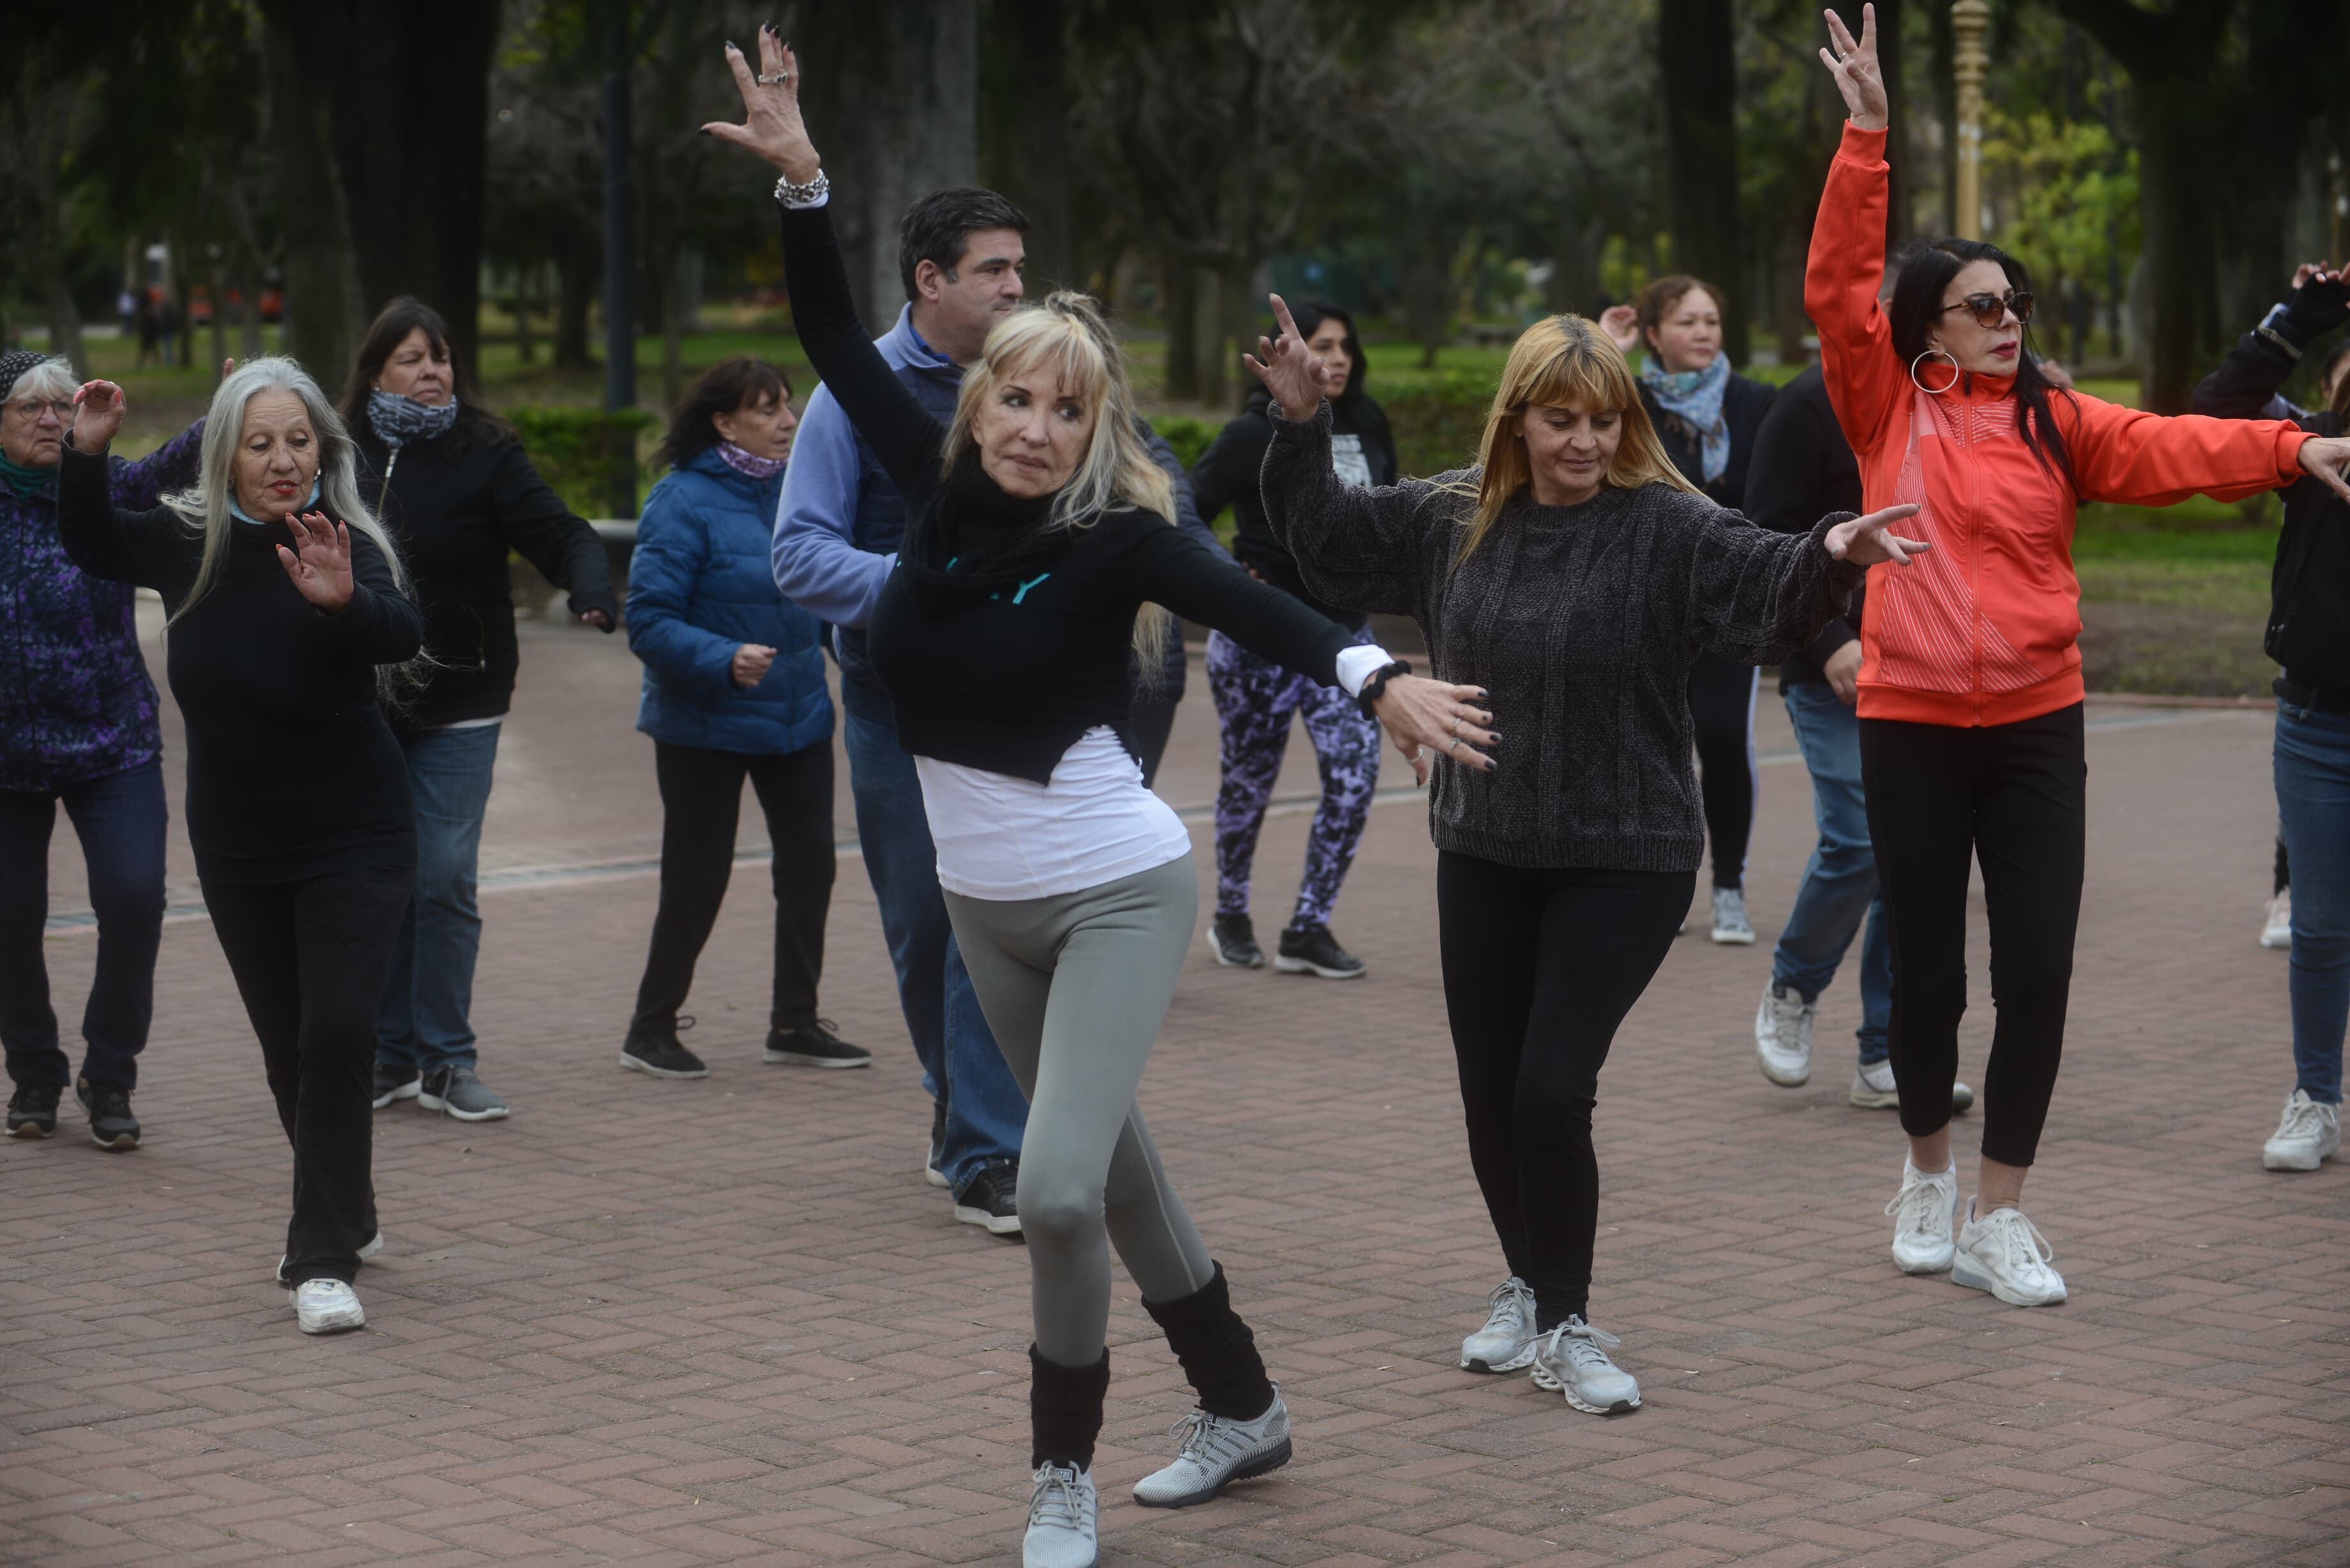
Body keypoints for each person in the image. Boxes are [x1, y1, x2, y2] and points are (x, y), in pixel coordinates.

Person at [712, 33, 1421, 1566]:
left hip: (1111, 883)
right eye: (1014, 398)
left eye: (1064, 410)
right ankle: (1241, 1402)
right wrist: (805, 180)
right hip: (987, 903)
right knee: (1112, 1172)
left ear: (1091, 430)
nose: (1033, 425)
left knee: (1046, 1189)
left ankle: (1059, 1471)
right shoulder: (936, 480)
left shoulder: (1115, 539)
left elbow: (1266, 607)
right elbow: (833, 329)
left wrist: (1376, 677)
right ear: (976, 403)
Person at [1260, 303, 1926, 1415]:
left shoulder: (1661, 523)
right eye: (1561, 420)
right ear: (1516, 422)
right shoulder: (1450, 516)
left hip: (1628, 853)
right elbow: (1325, 542)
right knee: (1489, 1093)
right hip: (1483, 842)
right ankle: (1528, 1284)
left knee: (1550, 1085)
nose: (1585, 443)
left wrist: (1831, 549)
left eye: (1604, 421)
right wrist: (1295, 425)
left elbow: (1758, 575)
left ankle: (1565, 1322)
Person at [1810, 4, 2350, 1304]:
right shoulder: (1882, 399)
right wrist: (1869, 136)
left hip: (2039, 720)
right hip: (1913, 718)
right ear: (1927, 326)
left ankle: (2003, 1211)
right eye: (1981, 305)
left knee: (2037, 965)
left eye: (2017, 302)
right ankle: (1926, 1176)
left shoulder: (2053, 417)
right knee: (1929, 968)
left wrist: (2291, 448)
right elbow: (1837, 285)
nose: (2007, 318)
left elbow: (2172, 444)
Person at [56, 359, 426, 1336]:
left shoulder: (345, 539)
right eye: (260, 442)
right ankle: (347, 1203)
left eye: (298, 440)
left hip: (359, 834)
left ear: (323, 448)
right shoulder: (191, 544)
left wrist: (343, 599)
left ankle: (321, 1258)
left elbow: (400, 631)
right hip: (241, 846)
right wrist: (85, 453)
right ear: (227, 455)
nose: (282, 460)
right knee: (287, 1054)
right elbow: (87, 537)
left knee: (338, 1032)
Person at [772, 178, 1039, 1235]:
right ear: (932, 280)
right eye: (995, 270)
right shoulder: (858, 392)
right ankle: (959, 1109)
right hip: (890, 702)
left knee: (991, 924)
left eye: (1022, 266)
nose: (1020, 286)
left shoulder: (1039, 385)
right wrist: (922, 589)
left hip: (1010, 708)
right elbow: (798, 553)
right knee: (924, 929)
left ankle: (987, 1146)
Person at [341, 298, 619, 1123]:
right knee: (380, 879)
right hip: (361, 701)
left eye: (444, 358)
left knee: (446, 878)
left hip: (463, 697)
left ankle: (448, 1062)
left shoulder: (487, 454)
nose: (434, 373)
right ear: (376, 372)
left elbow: (563, 533)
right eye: (413, 359)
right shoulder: (334, 453)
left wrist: (592, 586)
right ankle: (390, 1054)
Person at [1742, 290, 1975, 1117]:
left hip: (1930, 669)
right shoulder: (1803, 408)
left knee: (1908, 860)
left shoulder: (1947, 404)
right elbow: (1766, 536)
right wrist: (1827, 640)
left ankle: (1886, 1053)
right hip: (1834, 667)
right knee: (1858, 838)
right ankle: (1793, 988)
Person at [620, 356, 862, 1078]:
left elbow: (824, 592)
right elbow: (647, 621)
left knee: (811, 869)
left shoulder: (801, 492)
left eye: (788, 405)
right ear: (725, 421)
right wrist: (722, 657)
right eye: (767, 408)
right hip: (704, 723)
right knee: (697, 877)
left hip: (799, 719)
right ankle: (650, 1027)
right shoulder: (680, 500)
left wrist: (855, 647)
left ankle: (794, 1022)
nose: (788, 420)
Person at [1, 350, 208, 1148]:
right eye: (31, 408)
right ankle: (34, 1069)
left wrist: (226, 408)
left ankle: (110, 1071)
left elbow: (171, 465)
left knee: (132, 898)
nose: (52, 419)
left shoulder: (106, 484)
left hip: (110, 738)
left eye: (65, 403)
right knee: (9, 918)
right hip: (7, 759)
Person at [2192, 264, 2350, 1171]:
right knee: (2324, 926)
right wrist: (2296, 319)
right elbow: (2215, 411)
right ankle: (2316, 1097)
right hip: (2321, 728)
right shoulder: (2317, 449)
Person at [1188, 298, 1397, 979]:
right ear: (1287, 353)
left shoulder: (1366, 421)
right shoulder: (1253, 432)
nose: (1334, 358)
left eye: (1343, 345)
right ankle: (1231, 915)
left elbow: (1388, 511)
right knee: (1249, 784)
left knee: (1354, 776)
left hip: (1345, 639)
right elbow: (1183, 513)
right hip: (1263, 638)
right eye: (1319, 344)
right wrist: (1230, 578)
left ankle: (1307, 928)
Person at [1603, 279, 1778, 944]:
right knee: (1650, 743)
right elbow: (1571, 410)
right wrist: (1607, 348)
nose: (1703, 333)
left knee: (1725, 738)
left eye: (1711, 320)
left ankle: (1727, 885)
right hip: (1645, 604)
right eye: (1685, 322)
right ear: (1653, 334)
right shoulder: (1628, 400)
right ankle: (1660, 882)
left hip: (1732, 602)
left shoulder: (1754, 402)